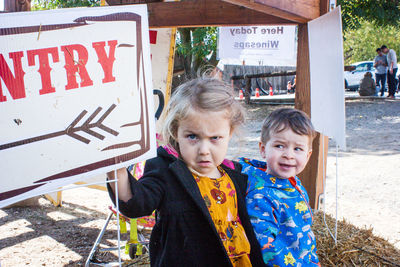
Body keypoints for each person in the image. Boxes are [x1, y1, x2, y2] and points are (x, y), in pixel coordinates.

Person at [107, 77, 264, 267]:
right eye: (192, 136)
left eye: (215, 138)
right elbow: (136, 204)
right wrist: (116, 170)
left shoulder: (234, 174)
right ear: (176, 132)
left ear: (229, 133)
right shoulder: (165, 171)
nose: (204, 149)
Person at [239, 108, 320, 266]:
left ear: (308, 155)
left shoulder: (293, 182)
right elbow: (267, 247)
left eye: (297, 149)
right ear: (263, 149)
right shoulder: (261, 195)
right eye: (280, 146)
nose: (288, 155)